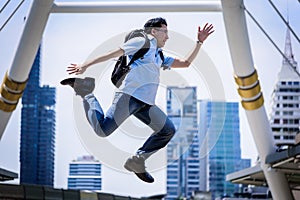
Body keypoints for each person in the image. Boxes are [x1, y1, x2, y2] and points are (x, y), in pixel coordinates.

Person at [61, 17, 214, 183]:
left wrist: (199, 42)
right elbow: (113, 53)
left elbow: (185, 63)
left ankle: (137, 160)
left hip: (146, 104)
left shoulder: (159, 55)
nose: (167, 37)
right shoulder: (142, 42)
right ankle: (85, 91)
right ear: (153, 31)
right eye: (165, 32)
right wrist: (85, 65)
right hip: (129, 97)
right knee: (102, 130)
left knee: (167, 130)